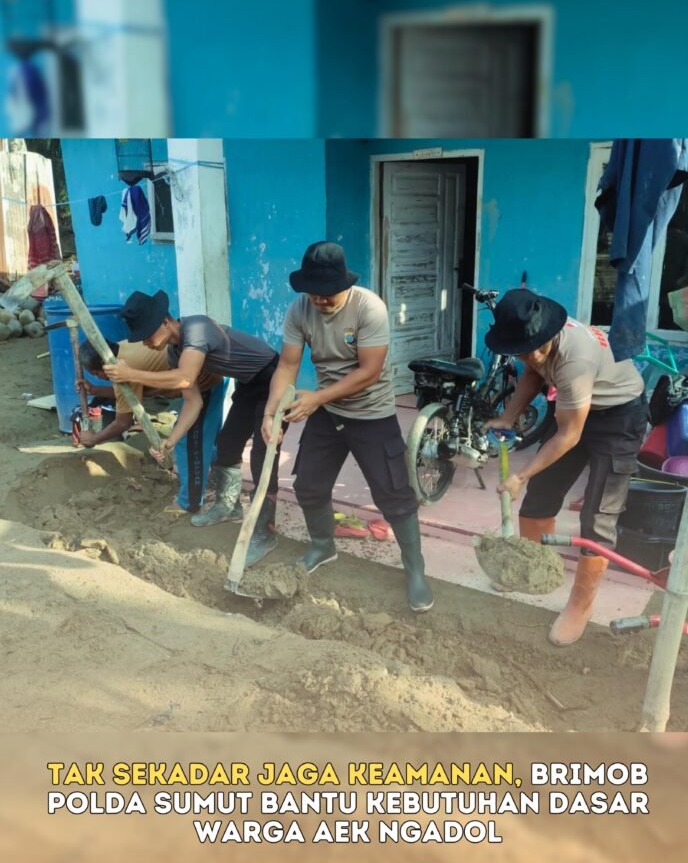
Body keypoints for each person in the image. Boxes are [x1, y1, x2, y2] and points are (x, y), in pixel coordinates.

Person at [261, 241, 433, 613]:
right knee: (308, 484)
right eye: (313, 292)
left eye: (327, 292)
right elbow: (287, 365)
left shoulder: (369, 307)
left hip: (372, 413)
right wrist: (270, 414)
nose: (319, 299)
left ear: (345, 283)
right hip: (327, 410)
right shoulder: (299, 309)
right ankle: (323, 547)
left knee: (394, 493)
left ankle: (415, 568)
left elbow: (369, 371)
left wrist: (316, 398)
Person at [484, 288, 648, 646]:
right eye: (522, 350)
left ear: (549, 331)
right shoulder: (535, 336)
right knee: (542, 492)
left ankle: (580, 605)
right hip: (578, 410)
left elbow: (569, 435)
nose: (532, 355)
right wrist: (507, 416)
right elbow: (534, 372)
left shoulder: (576, 360)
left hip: (619, 415)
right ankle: (531, 566)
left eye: (536, 347)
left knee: (599, 514)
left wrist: (520, 475)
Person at [104, 290, 284, 568]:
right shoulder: (175, 352)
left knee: (263, 457)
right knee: (227, 445)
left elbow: (184, 379)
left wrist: (131, 374)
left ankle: (265, 531)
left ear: (166, 322)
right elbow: (193, 401)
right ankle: (229, 506)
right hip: (249, 384)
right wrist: (171, 440)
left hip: (273, 378)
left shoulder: (197, 327)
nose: (146, 343)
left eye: (148, 335)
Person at [77, 338, 226, 516]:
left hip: (203, 384)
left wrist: (93, 439)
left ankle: (188, 503)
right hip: (209, 375)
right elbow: (129, 392)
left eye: (96, 373)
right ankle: (216, 478)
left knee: (188, 443)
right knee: (208, 438)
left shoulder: (123, 370)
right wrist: (96, 390)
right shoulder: (122, 350)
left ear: (104, 364)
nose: (98, 377)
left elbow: (123, 422)